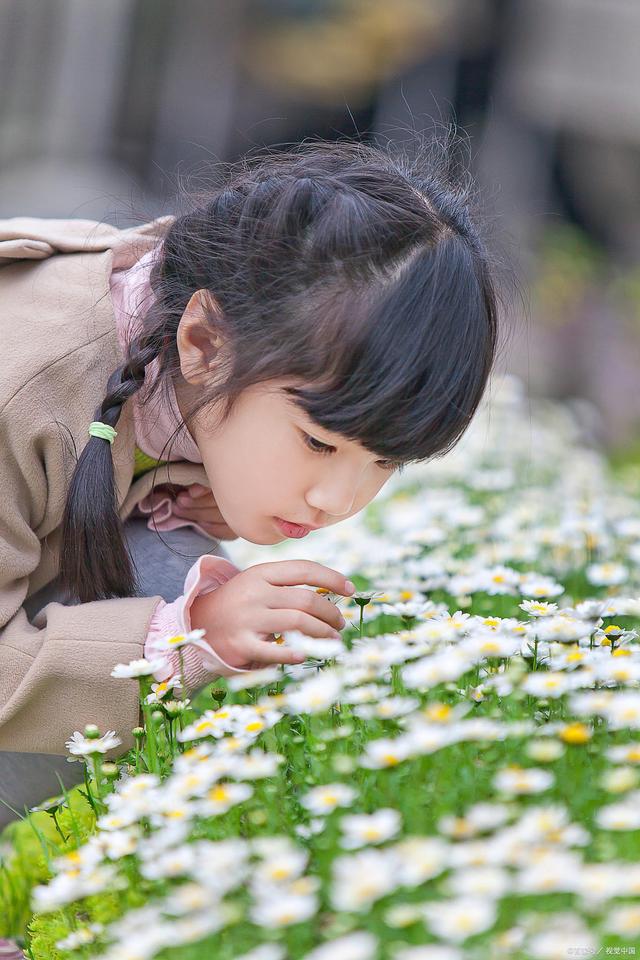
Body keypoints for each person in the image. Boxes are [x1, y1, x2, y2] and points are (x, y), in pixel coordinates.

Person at [0, 134, 505, 826]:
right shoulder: (23, 391)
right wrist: (187, 634)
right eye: (317, 442)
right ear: (204, 342)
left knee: (190, 597)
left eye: (385, 461)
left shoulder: (192, 327)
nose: (339, 502)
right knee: (174, 615)